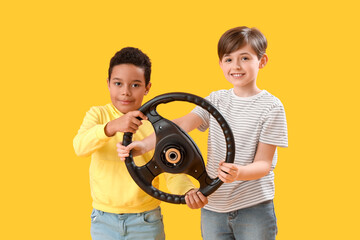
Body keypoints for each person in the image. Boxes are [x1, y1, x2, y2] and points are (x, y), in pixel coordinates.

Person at [117, 27, 288, 240]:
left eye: (244, 58)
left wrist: (239, 173)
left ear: (262, 61)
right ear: (220, 64)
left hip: (254, 207)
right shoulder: (216, 100)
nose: (236, 66)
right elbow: (180, 125)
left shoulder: (271, 107)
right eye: (228, 59)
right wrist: (143, 145)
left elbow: (264, 164)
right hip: (213, 206)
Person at [73, 47, 206, 240]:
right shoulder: (98, 115)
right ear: (108, 84)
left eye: (135, 85)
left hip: (146, 221)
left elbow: (170, 170)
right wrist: (111, 127)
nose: (125, 92)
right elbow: (80, 147)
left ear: (147, 88)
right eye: (118, 83)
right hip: (103, 220)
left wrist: (187, 191)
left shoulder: (157, 127)